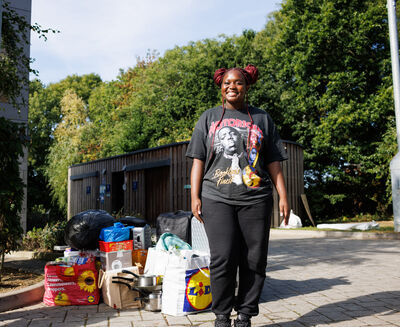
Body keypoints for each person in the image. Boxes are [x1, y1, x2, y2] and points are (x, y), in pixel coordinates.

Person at [186, 64, 289, 327]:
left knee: (254, 259)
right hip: (216, 197)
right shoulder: (208, 118)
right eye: (227, 83)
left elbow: (274, 162)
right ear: (221, 87)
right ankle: (221, 316)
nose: (232, 86)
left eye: (238, 82)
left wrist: (283, 196)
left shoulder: (263, 118)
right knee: (223, 257)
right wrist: (194, 196)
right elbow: (197, 160)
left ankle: (245, 315)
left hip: (256, 199)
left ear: (247, 86)